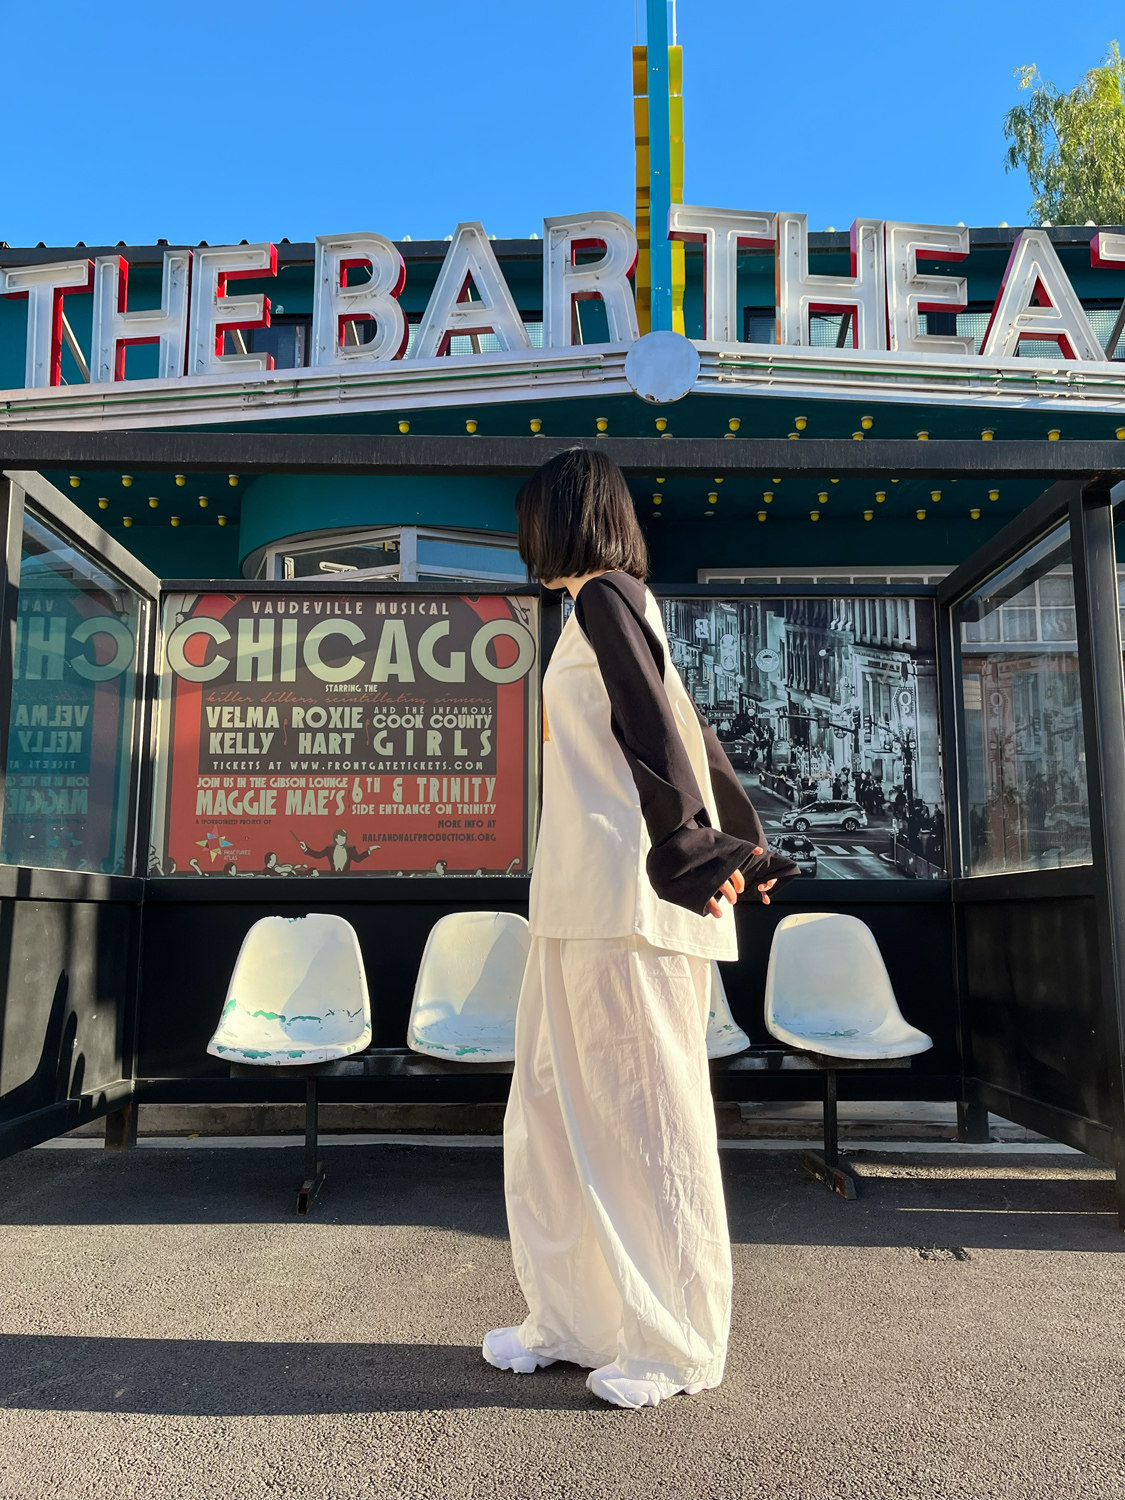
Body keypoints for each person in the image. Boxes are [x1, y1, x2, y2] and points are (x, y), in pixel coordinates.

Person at [483, 449, 800, 1410]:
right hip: (580, 904)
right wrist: (741, 845)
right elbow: (692, 733)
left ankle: (676, 1346)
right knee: (553, 1119)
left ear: (560, 517)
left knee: (641, 1121)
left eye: (529, 516)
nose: (522, 534)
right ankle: (572, 1321)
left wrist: (698, 850)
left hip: (619, 908)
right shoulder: (607, 605)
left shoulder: (603, 598)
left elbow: (659, 735)